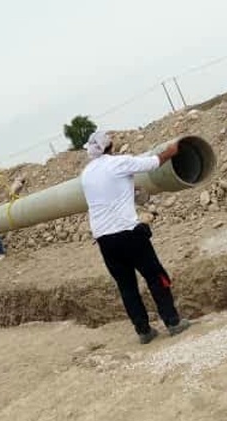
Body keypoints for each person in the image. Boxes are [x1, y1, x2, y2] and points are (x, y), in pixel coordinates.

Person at [80, 130, 191, 344]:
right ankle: (173, 322)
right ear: (110, 146)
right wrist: (171, 150)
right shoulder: (119, 163)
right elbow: (154, 162)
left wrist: (130, 191)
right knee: (155, 276)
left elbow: (106, 195)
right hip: (129, 234)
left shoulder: (87, 174)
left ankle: (143, 331)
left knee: (127, 287)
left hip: (105, 240)